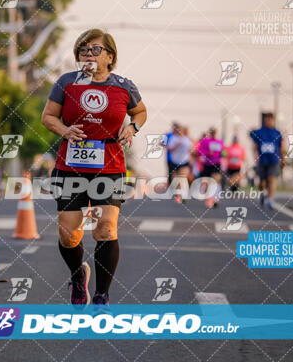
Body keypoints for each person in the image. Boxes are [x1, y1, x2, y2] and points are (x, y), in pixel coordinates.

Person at [41, 29, 147, 308]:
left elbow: (140, 111)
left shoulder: (124, 86)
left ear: (110, 56)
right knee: (68, 234)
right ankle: (78, 276)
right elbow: (48, 117)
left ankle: (102, 295)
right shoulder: (66, 82)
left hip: (110, 165)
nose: (88, 54)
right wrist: (65, 130)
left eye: (95, 50)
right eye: (83, 50)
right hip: (70, 166)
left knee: (106, 228)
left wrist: (132, 126)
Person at [250, 113, 283, 209]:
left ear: (273, 120)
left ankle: (270, 199)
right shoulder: (259, 132)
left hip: (274, 160)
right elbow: (255, 146)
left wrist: (282, 158)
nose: (269, 121)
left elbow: (281, 146)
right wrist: (255, 157)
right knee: (262, 181)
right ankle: (263, 193)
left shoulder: (277, 133)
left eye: (270, 119)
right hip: (262, 160)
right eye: (267, 119)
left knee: (272, 179)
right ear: (264, 120)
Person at [197, 127, 224, 207]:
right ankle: (208, 197)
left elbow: (223, 152)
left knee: (216, 180)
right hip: (207, 164)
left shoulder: (220, 142)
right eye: (212, 133)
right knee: (207, 182)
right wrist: (208, 153)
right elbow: (199, 152)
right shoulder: (205, 141)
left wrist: (224, 155)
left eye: (214, 133)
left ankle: (215, 199)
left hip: (216, 163)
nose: (213, 134)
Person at [166, 124, 193, 203]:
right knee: (176, 179)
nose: (180, 132)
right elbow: (170, 149)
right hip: (174, 161)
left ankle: (184, 195)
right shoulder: (173, 139)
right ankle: (178, 195)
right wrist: (178, 144)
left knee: (183, 178)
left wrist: (191, 159)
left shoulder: (186, 139)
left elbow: (191, 150)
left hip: (184, 161)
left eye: (181, 130)